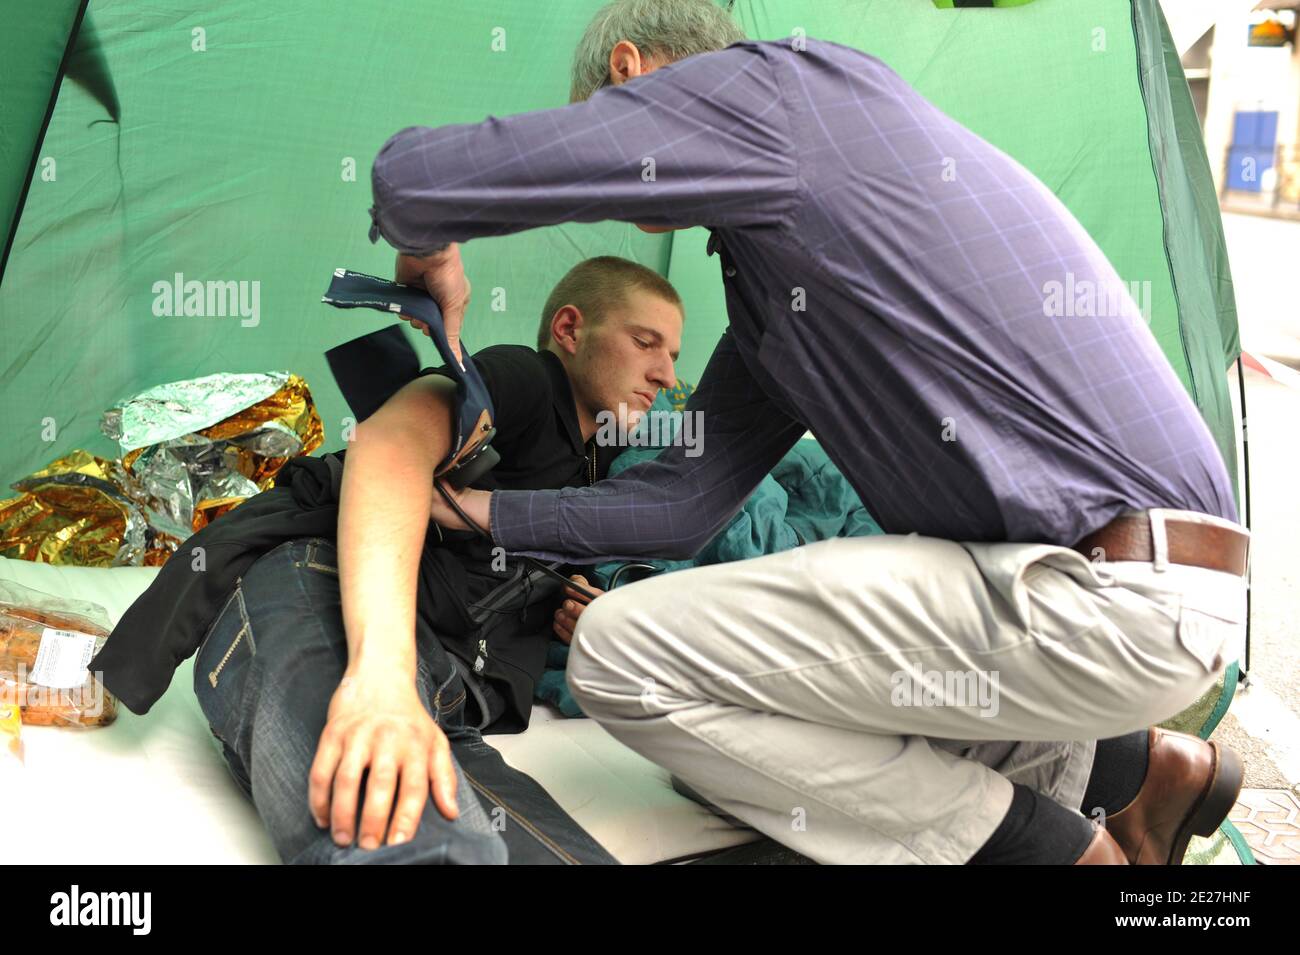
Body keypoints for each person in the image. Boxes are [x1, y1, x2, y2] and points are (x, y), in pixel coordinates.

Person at [375, 0, 1248, 864]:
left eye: (600, 124)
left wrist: (428, 249)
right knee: (749, 730)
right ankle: (1136, 779)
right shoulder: (778, 286)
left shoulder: (772, 93)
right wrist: (479, 511)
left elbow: (416, 178)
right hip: (1140, 605)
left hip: (1111, 593)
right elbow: (678, 503)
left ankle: (1039, 851)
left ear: (629, 74)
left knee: (618, 653)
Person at [95, 255, 683, 863]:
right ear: (569, 329)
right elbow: (392, 439)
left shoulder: (601, 467)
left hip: (446, 686)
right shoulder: (528, 377)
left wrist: (571, 602)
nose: (665, 374)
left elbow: (502, 560)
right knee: (409, 835)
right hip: (323, 588)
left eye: (673, 357)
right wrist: (382, 680)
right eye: (646, 343)